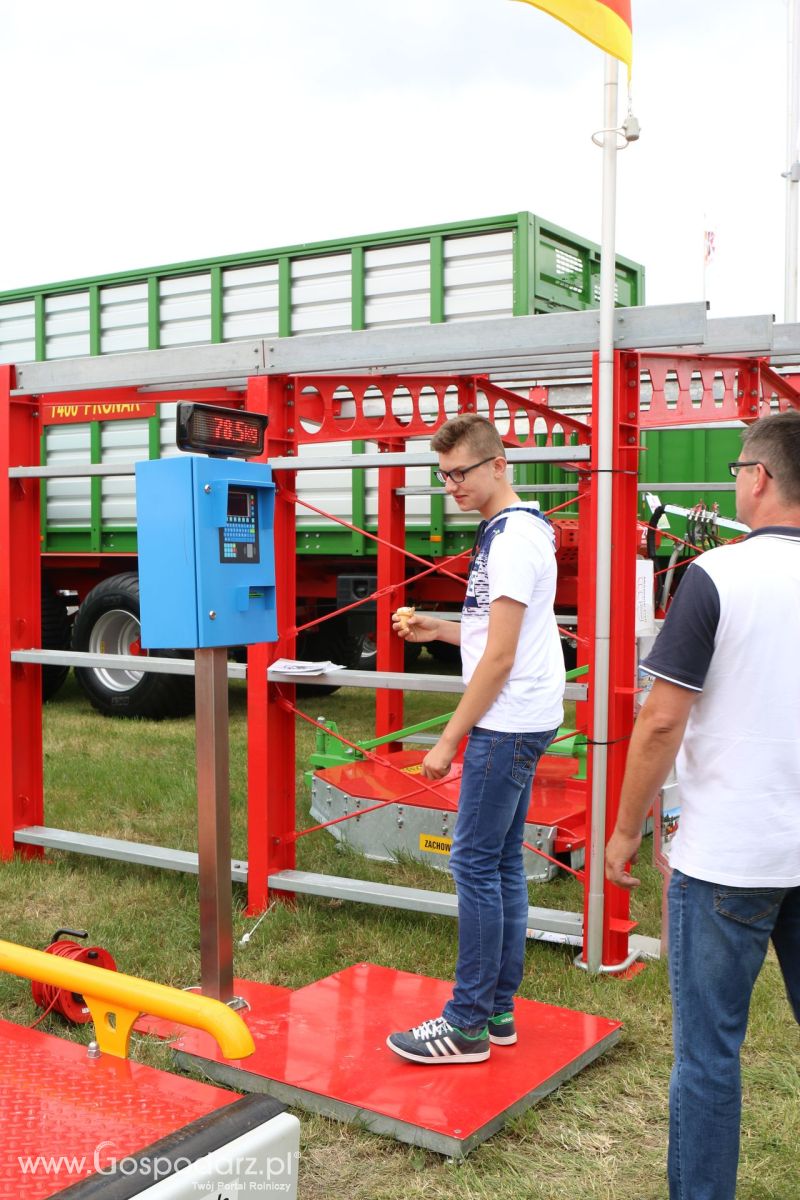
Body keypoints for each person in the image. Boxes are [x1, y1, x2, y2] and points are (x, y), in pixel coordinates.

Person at [605, 411, 800, 1200]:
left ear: (757, 477)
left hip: (728, 859)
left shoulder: (717, 575)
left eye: (735, 472)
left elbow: (660, 720)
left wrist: (624, 830)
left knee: (711, 1058)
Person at [386, 414, 565, 1064]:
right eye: (444, 476)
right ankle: (496, 1011)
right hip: (520, 715)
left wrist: (445, 742)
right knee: (497, 864)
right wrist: (439, 628)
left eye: (461, 472)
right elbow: (495, 637)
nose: (452, 485)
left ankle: (464, 1026)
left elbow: (501, 659)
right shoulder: (508, 532)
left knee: (472, 863)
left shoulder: (514, 539)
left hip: (506, 719)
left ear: (497, 465)